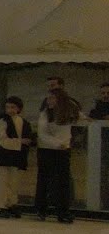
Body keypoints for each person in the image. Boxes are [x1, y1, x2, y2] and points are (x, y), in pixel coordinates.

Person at [35, 88, 80, 223]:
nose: (49, 101)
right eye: (48, 98)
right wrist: (57, 144)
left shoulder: (68, 112)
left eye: (52, 98)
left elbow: (78, 118)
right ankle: (41, 209)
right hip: (46, 150)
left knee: (63, 181)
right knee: (45, 179)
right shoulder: (44, 114)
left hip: (63, 151)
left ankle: (62, 211)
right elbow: (42, 134)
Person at [0, 96, 33, 219]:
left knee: (14, 182)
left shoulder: (23, 122)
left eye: (13, 107)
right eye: (8, 107)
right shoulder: (2, 121)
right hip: (2, 156)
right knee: (1, 182)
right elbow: (2, 140)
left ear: (19, 108)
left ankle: (11, 203)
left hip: (16, 157)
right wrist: (20, 142)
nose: (10, 110)